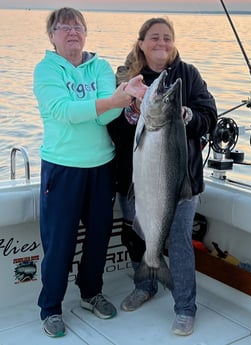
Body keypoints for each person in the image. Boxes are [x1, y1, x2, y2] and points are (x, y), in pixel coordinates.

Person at [33, 7, 146, 338]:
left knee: (98, 238)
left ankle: (90, 293)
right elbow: (63, 111)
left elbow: (100, 117)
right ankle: (50, 307)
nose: (72, 32)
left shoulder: (100, 67)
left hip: (101, 167)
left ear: (85, 32)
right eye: (63, 27)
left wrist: (126, 102)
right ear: (51, 36)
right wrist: (113, 100)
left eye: (77, 26)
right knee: (60, 244)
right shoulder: (46, 70)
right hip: (62, 167)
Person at [108, 17, 217, 336]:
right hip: (136, 180)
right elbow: (113, 130)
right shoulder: (125, 76)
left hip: (181, 184)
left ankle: (185, 308)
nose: (162, 43)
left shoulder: (189, 75)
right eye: (154, 37)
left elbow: (208, 116)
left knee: (180, 243)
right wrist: (130, 112)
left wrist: (188, 115)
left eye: (167, 38)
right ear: (141, 42)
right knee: (139, 237)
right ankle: (146, 285)